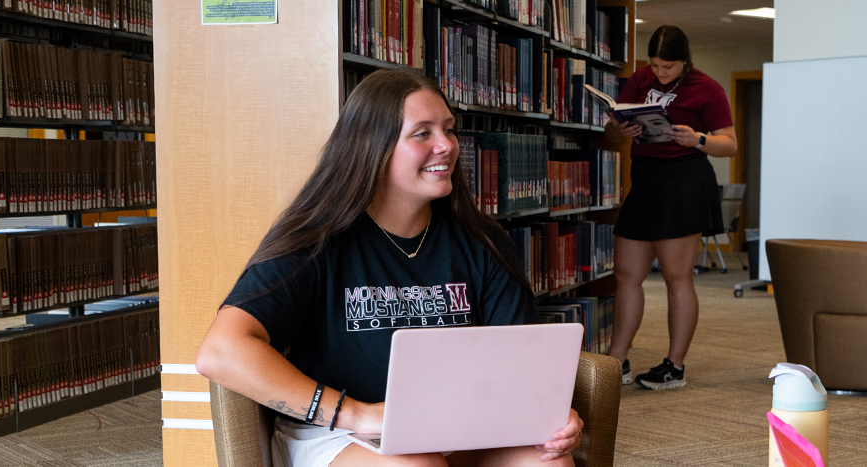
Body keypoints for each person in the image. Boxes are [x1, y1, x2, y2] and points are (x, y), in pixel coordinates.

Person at [195, 69, 583, 467]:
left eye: (448, 130)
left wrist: (548, 415)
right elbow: (220, 351)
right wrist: (357, 413)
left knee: (548, 462)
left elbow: (523, 360)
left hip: (460, 423)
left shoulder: (482, 240)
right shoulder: (316, 240)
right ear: (372, 146)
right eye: (422, 133)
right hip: (339, 432)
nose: (446, 146)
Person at [601, 25, 737, 390]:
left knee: (678, 277)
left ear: (685, 63)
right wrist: (620, 130)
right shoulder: (639, 80)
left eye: (669, 68)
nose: (660, 74)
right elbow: (611, 131)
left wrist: (698, 139)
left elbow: (730, 144)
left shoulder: (707, 88)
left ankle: (674, 366)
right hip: (645, 180)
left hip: (684, 180)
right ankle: (617, 361)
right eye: (655, 65)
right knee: (627, 274)